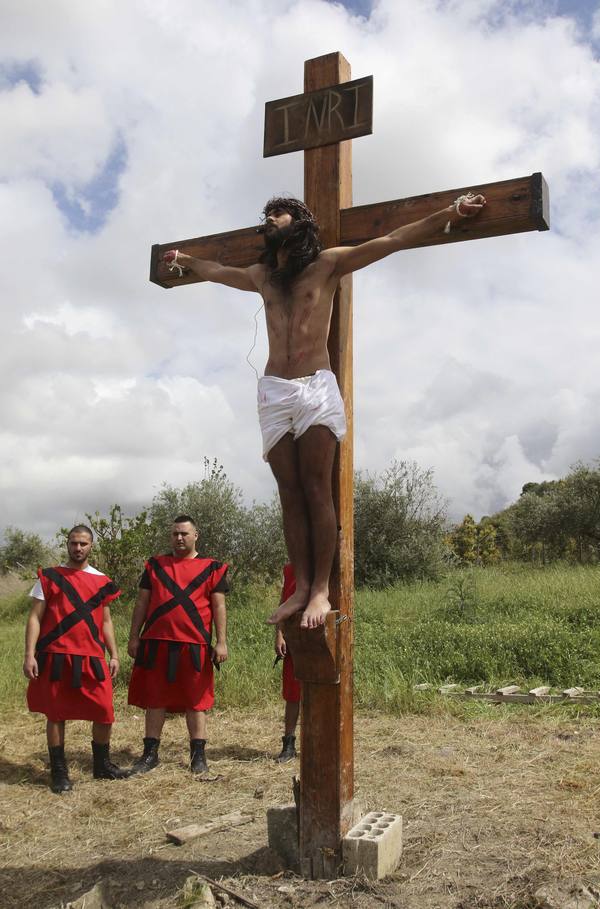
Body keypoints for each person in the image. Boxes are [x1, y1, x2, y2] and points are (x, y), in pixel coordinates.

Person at [162, 192, 486, 630]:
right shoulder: (263, 276)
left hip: (315, 386)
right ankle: (299, 588)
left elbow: (393, 238)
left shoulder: (328, 263)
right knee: (289, 494)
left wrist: (448, 214)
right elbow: (219, 272)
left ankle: (320, 590)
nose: (271, 219)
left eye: (279, 213)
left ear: (300, 223)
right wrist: (186, 261)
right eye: (268, 215)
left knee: (316, 487)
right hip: (275, 390)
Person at [23, 524, 127, 793]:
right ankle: (59, 771)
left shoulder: (102, 581)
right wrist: (29, 654)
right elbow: (35, 617)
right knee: (56, 713)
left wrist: (114, 654)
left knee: (104, 712)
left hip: (92, 655)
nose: (78, 548)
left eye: (83, 543)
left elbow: (105, 621)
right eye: (73, 543)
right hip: (56, 655)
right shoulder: (49, 577)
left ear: (91, 546)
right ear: (67, 544)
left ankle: (101, 765)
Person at [127, 515, 229, 775]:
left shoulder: (212, 568)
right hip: (156, 642)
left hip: (193, 643)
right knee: (155, 699)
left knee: (196, 701)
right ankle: (150, 754)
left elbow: (218, 606)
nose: (179, 538)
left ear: (196, 535)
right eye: (175, 534)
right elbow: (142, 603)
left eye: (184, 533)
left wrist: (221, 642)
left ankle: (198, 756)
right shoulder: (155, 566)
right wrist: (134, 636)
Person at [273, 564, 300, 762]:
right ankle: (288, 744)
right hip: (294, 638)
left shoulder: (327, 567)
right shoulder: (291, 569)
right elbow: (284, 603)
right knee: (293, 693)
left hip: (322, 636)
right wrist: (279, 635)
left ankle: (320, 742)